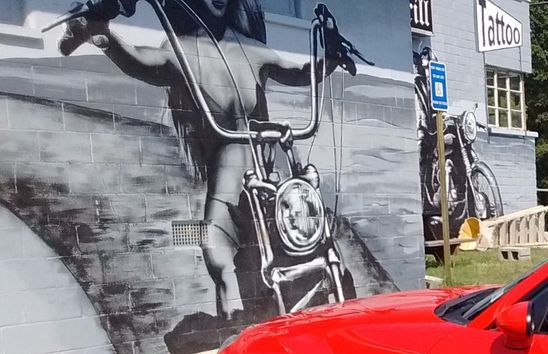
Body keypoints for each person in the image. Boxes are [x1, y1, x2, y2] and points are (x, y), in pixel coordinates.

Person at [57, 0, 348, 320]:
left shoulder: (253, 50)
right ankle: (237, 335)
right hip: (227, 186)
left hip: (271, 184)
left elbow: (300, 73)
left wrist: (331, 56)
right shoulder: (180, 49)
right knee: (220, 260)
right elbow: (142, 62)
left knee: (312, 249)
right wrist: (104, 36)